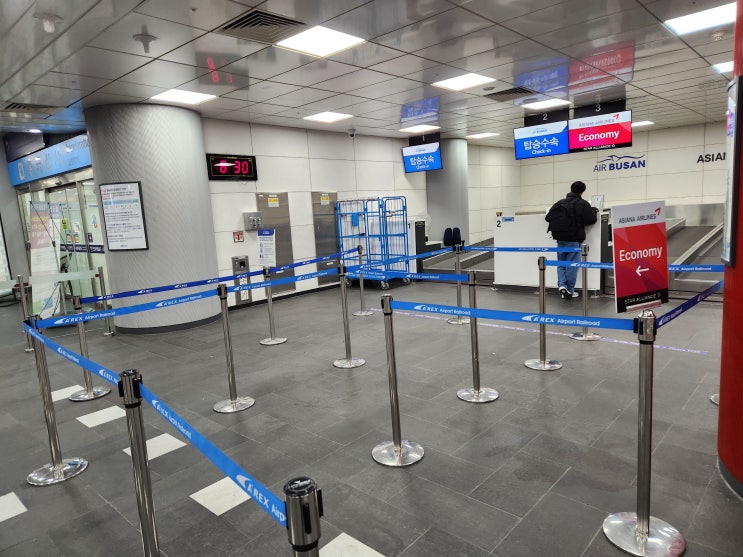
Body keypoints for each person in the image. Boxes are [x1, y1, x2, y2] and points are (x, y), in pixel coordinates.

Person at [545, 180, 598, 299]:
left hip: (559, 238)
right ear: (582, 192)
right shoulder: (583, 204)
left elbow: (548, 217)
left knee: (561, 263)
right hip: (574, 238)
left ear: (570, 189)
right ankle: (569, 290)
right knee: (572, 264)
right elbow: (591, 220)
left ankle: (562, 285)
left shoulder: (560, 202)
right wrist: (594, 211)